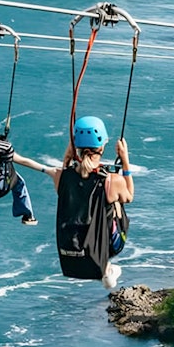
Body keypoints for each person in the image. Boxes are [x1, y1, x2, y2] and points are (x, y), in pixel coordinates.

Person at [46, 116, 134, 289]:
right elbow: (129, 196)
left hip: (72, 249)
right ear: (101, 146)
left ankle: (107, 269)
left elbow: (64, 188)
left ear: (75, 146)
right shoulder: (111, 180)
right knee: (116, 202)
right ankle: (107, 268)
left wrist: (66, 159)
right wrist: (125, 161)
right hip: (107, 245)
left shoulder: (61, 176)